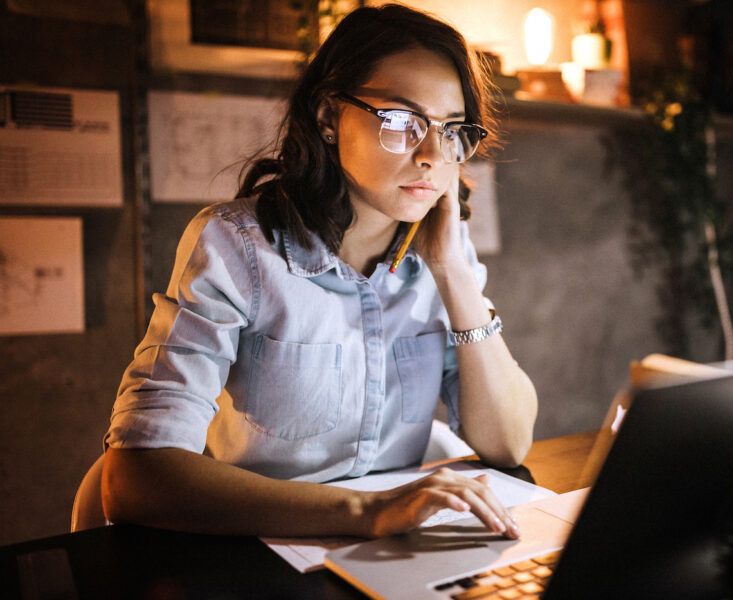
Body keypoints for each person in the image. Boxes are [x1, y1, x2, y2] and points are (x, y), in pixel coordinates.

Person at [101, 4, 537, 541]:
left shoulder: (444, 250)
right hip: (266, 543)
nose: (431, 154)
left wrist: (452, 272)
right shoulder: (237, 246)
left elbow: (509, 443)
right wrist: (365, 513)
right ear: (329, 117)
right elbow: (134, 479)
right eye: (401, 122)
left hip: (398, 548)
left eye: (451, 131)